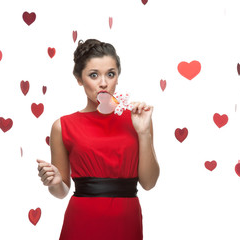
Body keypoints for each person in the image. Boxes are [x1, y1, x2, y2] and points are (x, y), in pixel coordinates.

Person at [36, 39, 160, 240]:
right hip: (82, 222)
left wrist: (144, 133)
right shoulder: (62, 126)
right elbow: (60, 192)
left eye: (110, 74)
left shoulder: (138, 119)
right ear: (79, 79)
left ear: (117, 77)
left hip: (127, 224)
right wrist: (55, 182)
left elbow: (149, 183)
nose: (103, 83)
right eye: (94, 75)